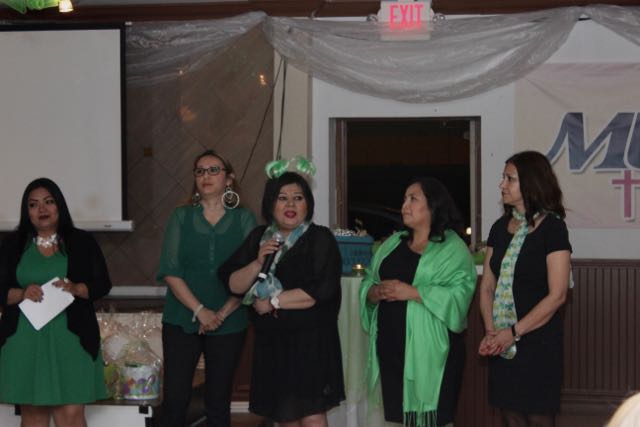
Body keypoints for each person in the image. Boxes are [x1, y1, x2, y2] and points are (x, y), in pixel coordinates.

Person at [219, 171, 345, 427]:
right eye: (282, 197)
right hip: (272, 344)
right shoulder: (260, 237)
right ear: (270, 204)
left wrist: (273, 302)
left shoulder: (319, 238)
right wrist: (257, 262)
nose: (290, 204)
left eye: (298, 198)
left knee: (312, 415)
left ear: (307, 204)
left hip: (311, 344)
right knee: (284, 415)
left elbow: (321, 290)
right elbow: (233, 283)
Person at [359, 177, 477, 427]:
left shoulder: (453, 248)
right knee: (399, 420)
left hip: (433, 355)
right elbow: (368, 280)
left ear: (433, 205)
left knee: (432, 420)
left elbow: (460, 294)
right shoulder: (392, 243)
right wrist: (375, 292)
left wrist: (413, 292)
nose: (404, 206)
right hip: (392, 350)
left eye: (413, 199)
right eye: (404, 199)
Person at [0, 177, 111, 427]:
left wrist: (76, 288)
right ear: (26, 211)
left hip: (72, 339)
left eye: (48, 202)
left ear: (59, 205)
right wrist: (21, 293)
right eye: (33, 204)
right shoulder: (11, 244)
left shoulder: (82, 241)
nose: (42, 209)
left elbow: (103, 283)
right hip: (24, 339)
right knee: (34, 415)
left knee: (70, 415)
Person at [157, 149, 257, 427]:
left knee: (218, 403)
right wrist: (200, 311)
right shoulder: (181, 216)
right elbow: (170, 270)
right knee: (175, 400)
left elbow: (252, 272)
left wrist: (220, 314)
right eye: (200, 171)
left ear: (229, 178)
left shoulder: (244, 219)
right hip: (181, 317)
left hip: (230, 319)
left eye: (214, 170)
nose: (206, 176)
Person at [478, 150, 572, 427]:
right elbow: (487, 286)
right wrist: (492, 332)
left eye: (510, 178)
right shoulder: (499, 228)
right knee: (510, 415)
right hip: (502, 338)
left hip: (538, 339)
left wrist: (514, 332)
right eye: (503, 178)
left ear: (531, 183)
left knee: (538, 417)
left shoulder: (553, 229)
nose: (502, 184)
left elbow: (558, 295)